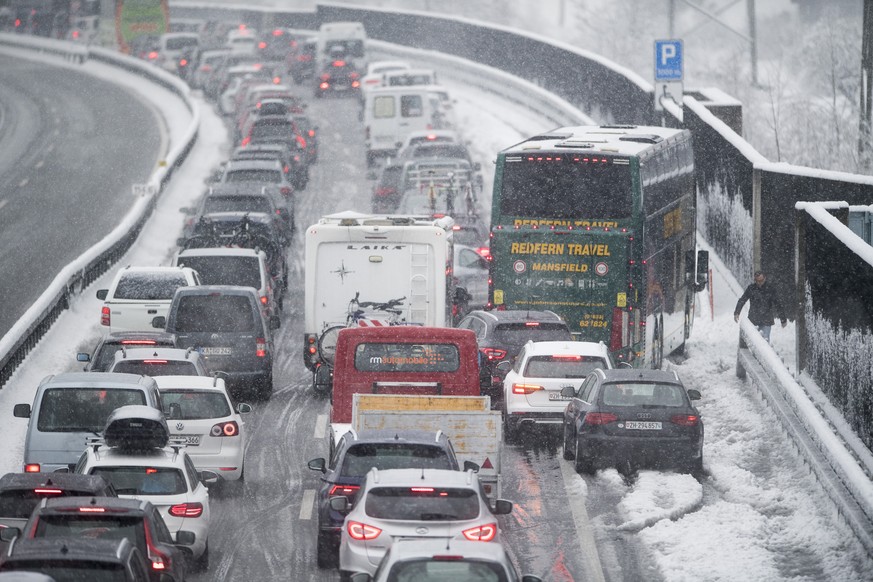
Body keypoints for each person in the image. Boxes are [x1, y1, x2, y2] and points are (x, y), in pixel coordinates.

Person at [734, 270, 787, 342]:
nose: (759, 283)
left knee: (764, 341)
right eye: (757, 281)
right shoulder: (751, 288)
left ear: (765, 278)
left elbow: (778, 304)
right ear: (755, 280)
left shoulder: (770, 289)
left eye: (761, 280)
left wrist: (783, 319)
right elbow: (742, 300)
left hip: (766, 320)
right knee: (753, 341)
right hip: (753, 320)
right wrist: (737, 312)